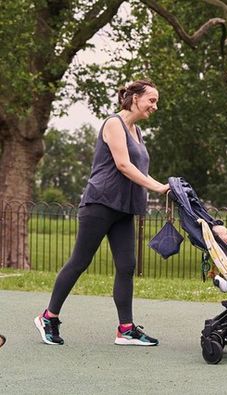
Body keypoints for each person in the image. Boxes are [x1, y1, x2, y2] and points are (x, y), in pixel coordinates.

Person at [34, 80, 169, 346]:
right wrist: (158, 188)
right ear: (134, 99)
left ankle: (126, 329)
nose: (155, 106)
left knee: (127, 266)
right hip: (100, 205)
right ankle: (48, 317)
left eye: (156, 102)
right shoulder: (113, 124)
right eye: (151, 100)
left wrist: (165, 186)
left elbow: (139, 170)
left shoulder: (137, 132)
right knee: (80, 261)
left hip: (123, 208)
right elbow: (123, 165)